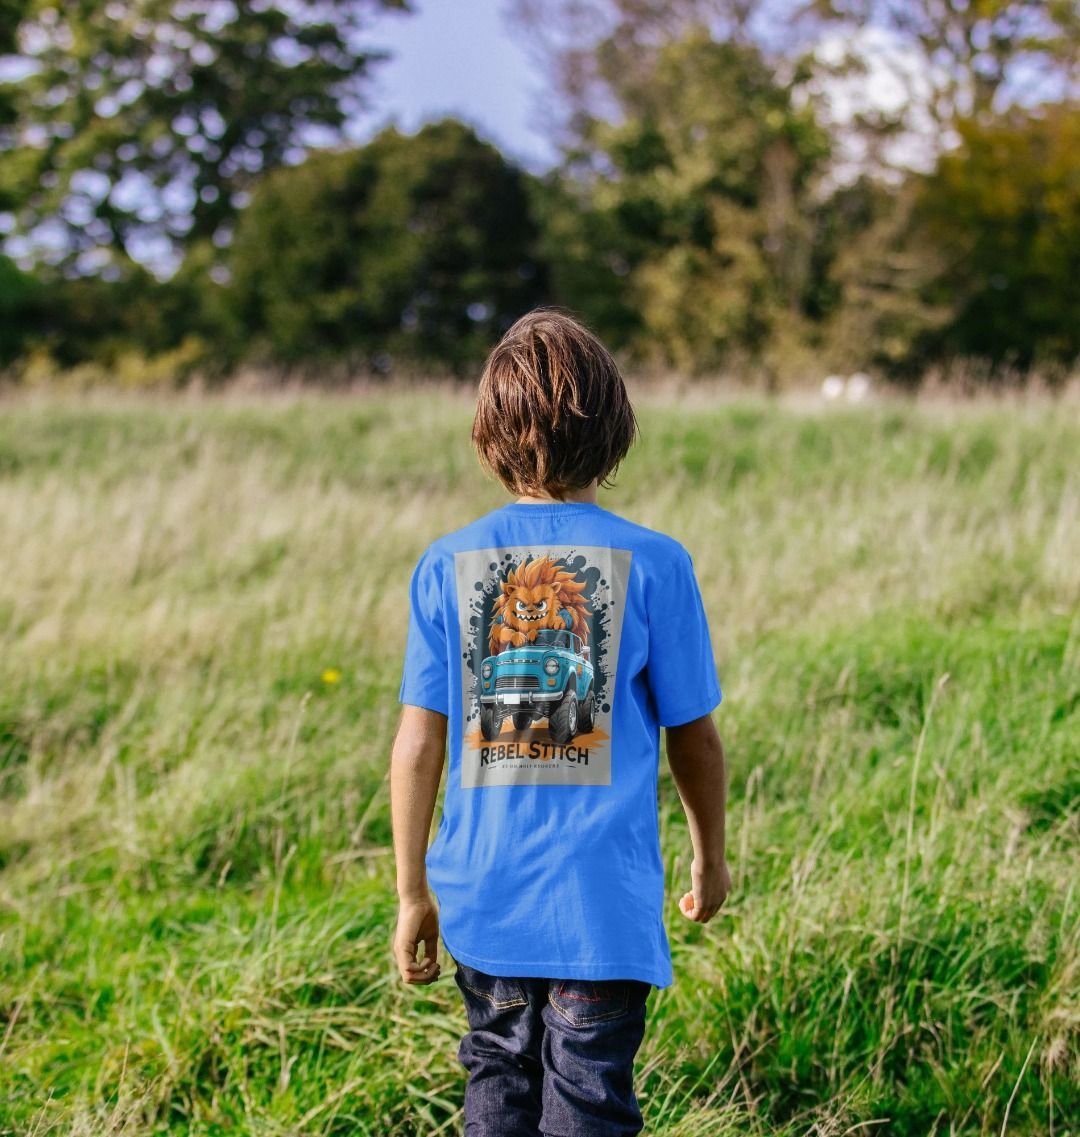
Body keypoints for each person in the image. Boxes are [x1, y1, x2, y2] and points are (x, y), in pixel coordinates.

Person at [390, 307, 730, 1137]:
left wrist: (411, 893)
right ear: (614, 428)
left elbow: (417, 746)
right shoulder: (657, 561)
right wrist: (710, 855)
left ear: (488, 434)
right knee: (588, 1103)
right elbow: (695, 736)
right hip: (600, 906)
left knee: (495, 1086)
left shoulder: (448, 561)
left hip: (484, 898)